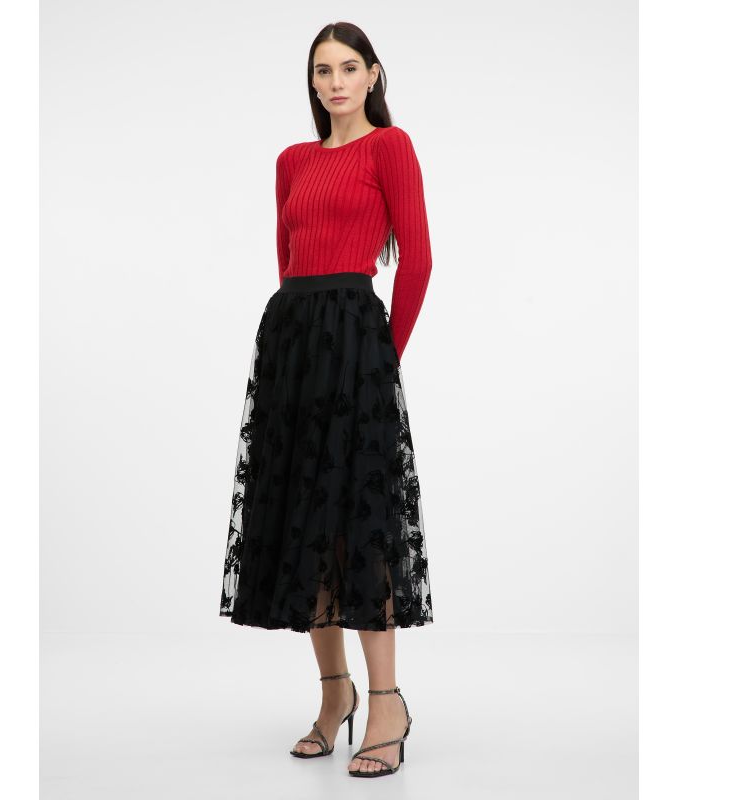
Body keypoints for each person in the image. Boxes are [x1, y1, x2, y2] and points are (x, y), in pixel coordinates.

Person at [219, 21, 434, 778]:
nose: (335, 82)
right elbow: (287, 262)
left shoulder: (389, 147)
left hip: (355, 342)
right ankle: (334, 692)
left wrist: (383, 359)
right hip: (293, 341)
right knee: (304, 519)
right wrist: (294, 345)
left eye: (348, 68)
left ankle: (387, 703)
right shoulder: (292, 160)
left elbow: (417, 261)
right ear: (311, 81)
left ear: (373, 74)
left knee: (362, 528)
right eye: (322, 70)